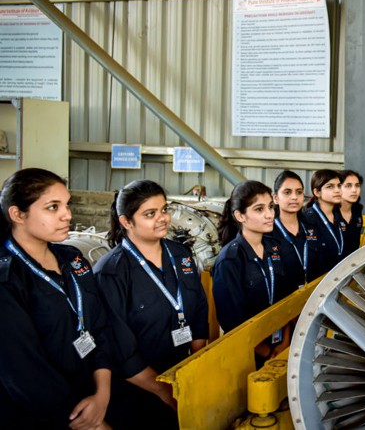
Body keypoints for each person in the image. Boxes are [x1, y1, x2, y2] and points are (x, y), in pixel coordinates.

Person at [0, 168, 114, 429]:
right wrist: (91, 421)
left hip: (95, 392)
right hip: (46, 414)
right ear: (17, 214)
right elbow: (24, 372)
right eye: (53, 207)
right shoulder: (8, 279)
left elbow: (99, 326)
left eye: (67, 204)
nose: (68, 215)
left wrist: (102, 395)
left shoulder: (72, 258)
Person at [95, 180, 208, 428]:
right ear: (126, 222)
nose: (163, 218)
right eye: (150, 214)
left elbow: (199, 308)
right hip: (137, 391)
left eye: (164, 209)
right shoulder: (111, 273)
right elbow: (121, 349)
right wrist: (165, 392)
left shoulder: (181, 256)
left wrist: (197, 366)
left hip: (181, 378)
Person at [212, 180, 293, 365]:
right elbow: (232, 321)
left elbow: (287, 299)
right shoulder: (229, 260)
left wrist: (285, 342)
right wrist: (265, 353)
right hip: (248, 352)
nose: (269, 214)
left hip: (281, 344)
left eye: (271, 207)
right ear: (240, 216)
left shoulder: (276, 248)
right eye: (259, 209)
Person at [270, 170, 321, 287]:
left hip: (311, 296)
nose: (294, 197)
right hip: (282, 301)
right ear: (275, 198)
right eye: (287, 192)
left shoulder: (311, 229)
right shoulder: (268, 233)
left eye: (299, 192)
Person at [302, 169, 347, 278]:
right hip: (315, 284)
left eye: (339, 185)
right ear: (317, 192)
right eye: (330, 186)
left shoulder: (339, 218)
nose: (337, 190)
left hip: (337, 279)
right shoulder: (307, 219)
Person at [339, 169, 363, 258]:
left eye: (357, 186)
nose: (354, 190)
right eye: (348, 186)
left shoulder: (357, 212)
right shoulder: (331, 213)